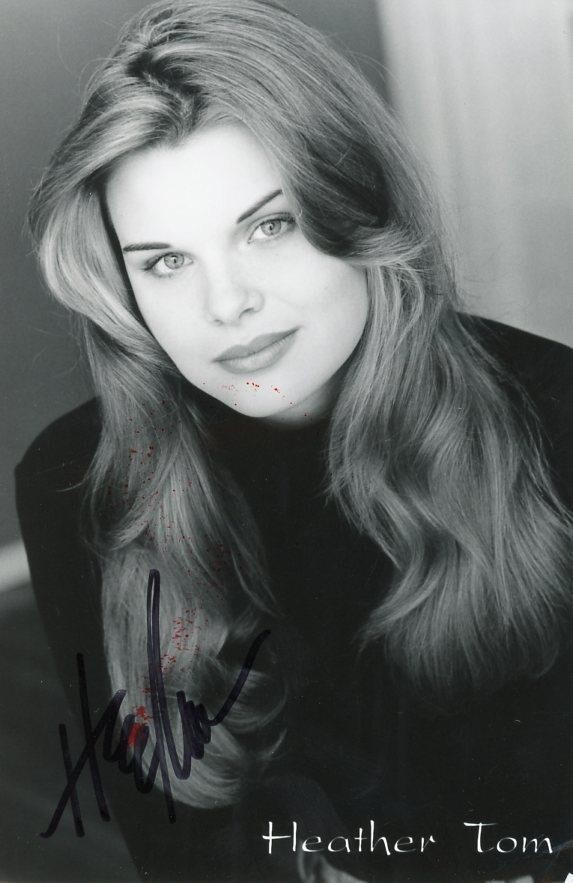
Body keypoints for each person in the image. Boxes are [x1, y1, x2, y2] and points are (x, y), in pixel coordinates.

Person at [16, 1, 572, 880]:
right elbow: (178, 852)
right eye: (166, 260)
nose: (225, 304)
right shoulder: (75, 481)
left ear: (363, 208)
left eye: (268, 226)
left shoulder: (555, 414)